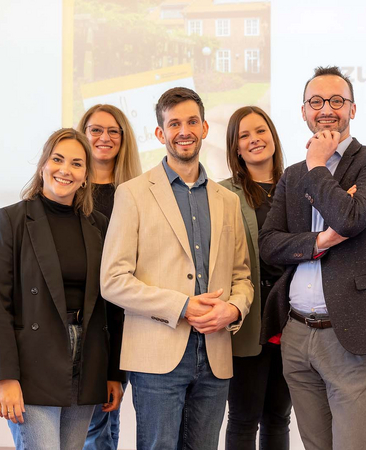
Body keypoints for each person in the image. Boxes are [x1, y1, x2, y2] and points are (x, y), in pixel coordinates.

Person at [258, 66, 366, 450]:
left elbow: (349, 219)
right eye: (316, 102)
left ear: (352, 109)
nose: (326, 109)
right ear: (303, 111)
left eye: (337, 101)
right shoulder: (292, 175)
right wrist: (321, 240)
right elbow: (269, 244)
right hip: (296, 333)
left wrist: (318, 165)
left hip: (352, 334)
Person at [100, 87, 254, 450]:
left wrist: (234, 309)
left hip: (215, 354)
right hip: (156, 355)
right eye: (174, 124)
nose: (184, 131)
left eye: (191, 122)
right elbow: (113, 281)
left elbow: (242, 276)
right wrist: (181, 306)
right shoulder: (132, 193)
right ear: (160, 133)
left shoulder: (228, 200)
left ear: (204, 128)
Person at [0, 128, 123, 449]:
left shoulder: (99, 224)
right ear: (43, 165)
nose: (65, 170)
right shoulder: (11, 220)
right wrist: (4, 376)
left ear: (85, 176)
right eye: (57, 160)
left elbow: (110, 306)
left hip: (88, 362)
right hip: (32, 365)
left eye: (76, 163)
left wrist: (113, 373)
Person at [219, 106, 291, 450]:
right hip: (248, 318)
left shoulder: (297, 185)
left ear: (272, 136)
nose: (254, 140)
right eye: (244, 135)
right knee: (244, 417)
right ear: (235, 147)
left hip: (292, 316)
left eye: (260, 131)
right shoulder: (222, 194)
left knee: (279, 416)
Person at [77, 104, 142, 450]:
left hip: (118, 325)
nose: (104, 137)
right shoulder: (66, 193)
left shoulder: (136, 195)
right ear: (82, 135)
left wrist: (115, 369)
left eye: (113, 131)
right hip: (74, 326)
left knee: (100, 427)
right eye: (96, 130)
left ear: (124, 138)